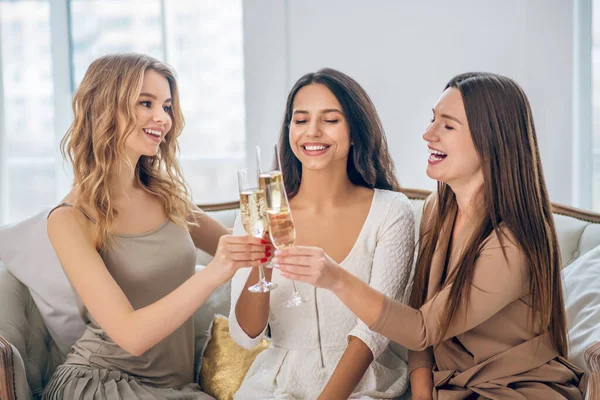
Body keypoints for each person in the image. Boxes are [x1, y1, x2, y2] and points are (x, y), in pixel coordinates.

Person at [274, 72, 585, 399]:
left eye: (447, 126)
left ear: (492, 140)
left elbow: (421, 329)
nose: (427, 134)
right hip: (448, 388)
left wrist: (335, 278)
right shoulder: (439, 208)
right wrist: (423, 394)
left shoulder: (513, 242)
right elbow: (418, 320)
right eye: (432, 120)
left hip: (513, 390)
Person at [42, 53, 268, 399]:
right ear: (104, 107)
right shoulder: (70, 218)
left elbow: (250, 249)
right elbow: (131, 336)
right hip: (101, 383)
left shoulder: (166, 195)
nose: (162, 118)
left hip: (175, 388)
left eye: (166, 106)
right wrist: (214, 272)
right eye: (145, 103)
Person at [229, 68, 416, 399]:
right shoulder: (258, 213)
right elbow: (246, 337)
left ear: (355, 131)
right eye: (300, 121)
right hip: (275, 384)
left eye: (330, 120)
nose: (312, 132)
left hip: (362, 386)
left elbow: (375, 331)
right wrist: (264, 258)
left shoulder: (391, 211)